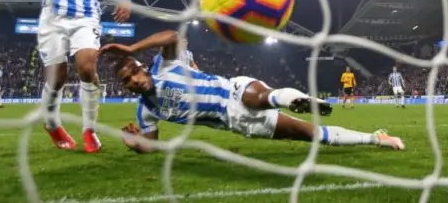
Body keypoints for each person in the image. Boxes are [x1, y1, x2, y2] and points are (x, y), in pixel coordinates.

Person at [99, 30, 405, 153]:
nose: (135, 80)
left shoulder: (163, 67)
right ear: (124, 87)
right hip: (236, 120)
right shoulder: (147, 110)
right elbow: (152, 146)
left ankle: (290, 98)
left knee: (259, 96)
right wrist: (135, 143)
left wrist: (130, 47)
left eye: (135, 71)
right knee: (312, 135)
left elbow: (173, 35)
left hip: (233, 89)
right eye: (128, 81)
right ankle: (377, 138)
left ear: (142, 66)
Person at [8, 0, 132, 153]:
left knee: (87, 67)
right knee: (58, 77)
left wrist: (125, 1)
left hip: (86, 17)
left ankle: (89, 130)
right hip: (53, 16)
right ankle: (52, 123)